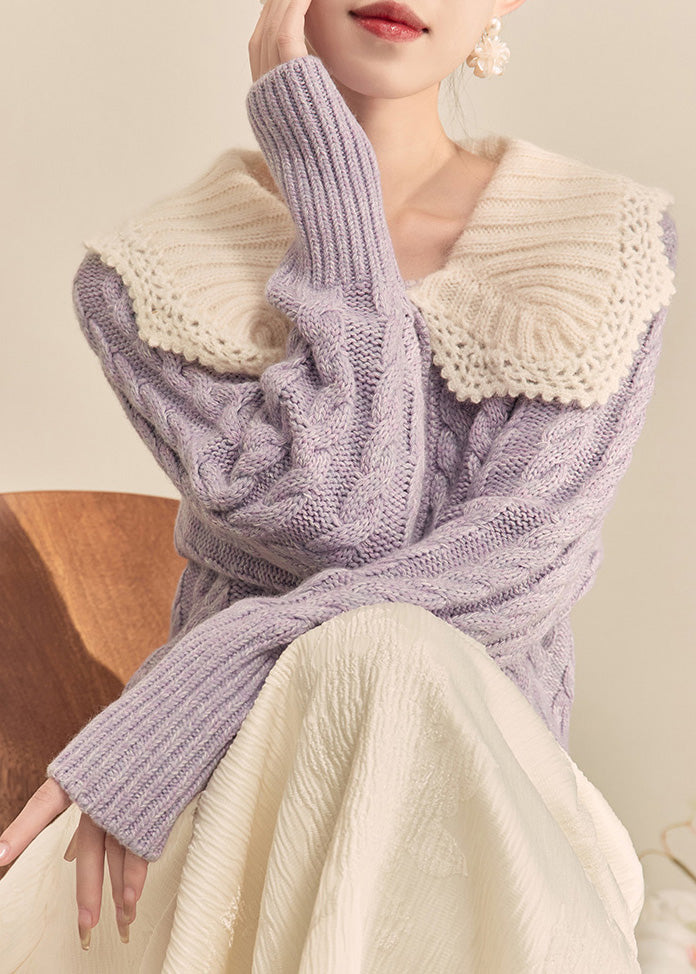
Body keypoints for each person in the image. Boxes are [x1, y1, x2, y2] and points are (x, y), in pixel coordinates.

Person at [0, 0, 678, 969]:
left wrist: (200, 680)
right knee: (379, 646)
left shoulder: (594, 243)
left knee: (394, 652)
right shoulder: (150, 280)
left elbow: (509, 570)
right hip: (236, 811)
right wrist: (332, 188)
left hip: (495, 831)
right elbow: (348, 513)